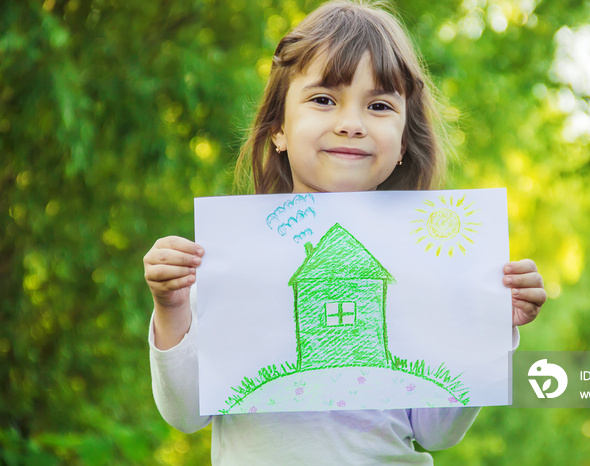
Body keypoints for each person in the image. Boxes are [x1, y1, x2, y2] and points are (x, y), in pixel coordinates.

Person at [144, 1, 547, 464]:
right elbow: (186, 414)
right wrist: (171, 306)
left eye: (378, 105)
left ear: (402, 143)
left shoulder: (428, 267)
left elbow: (436, 433)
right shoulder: (232, 259)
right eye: (323, 99)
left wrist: (488, 325)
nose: (351, 124)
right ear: (278, 128)